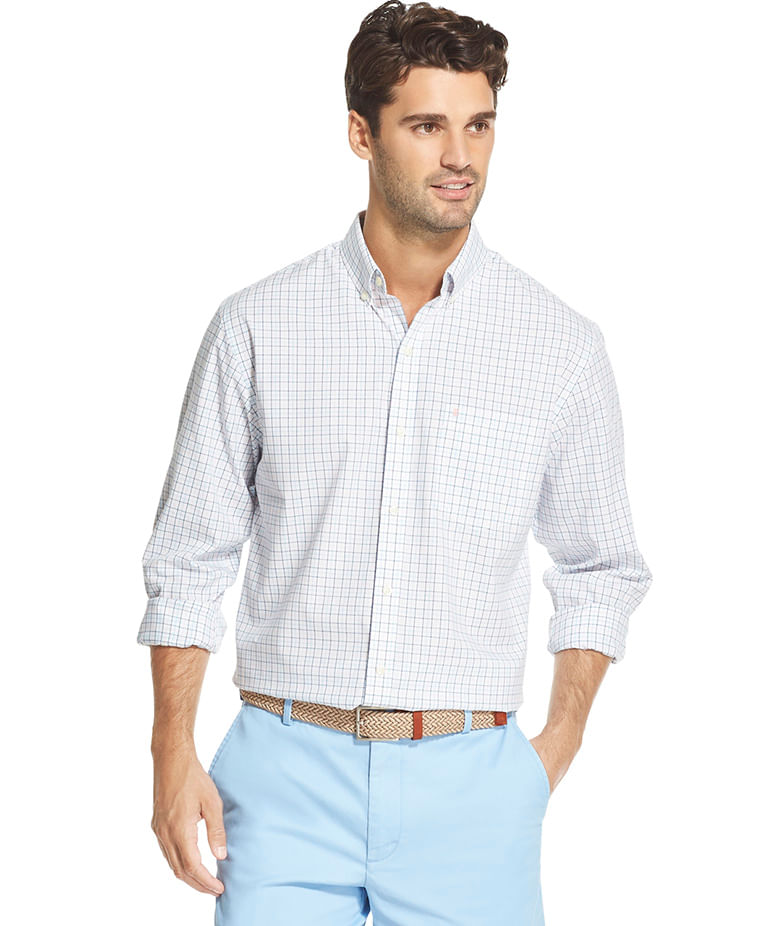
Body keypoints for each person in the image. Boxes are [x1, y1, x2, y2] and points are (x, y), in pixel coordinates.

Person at [138, 2, 654, 923]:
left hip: (474, 787)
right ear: (361, 134)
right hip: (282, 781)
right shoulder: (257, 326)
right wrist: (169, 751)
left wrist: (555, 748)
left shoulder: (560, 345)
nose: (460, 156)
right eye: (426, 126)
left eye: (479, 125)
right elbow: (189, 555)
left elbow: (600, 565)